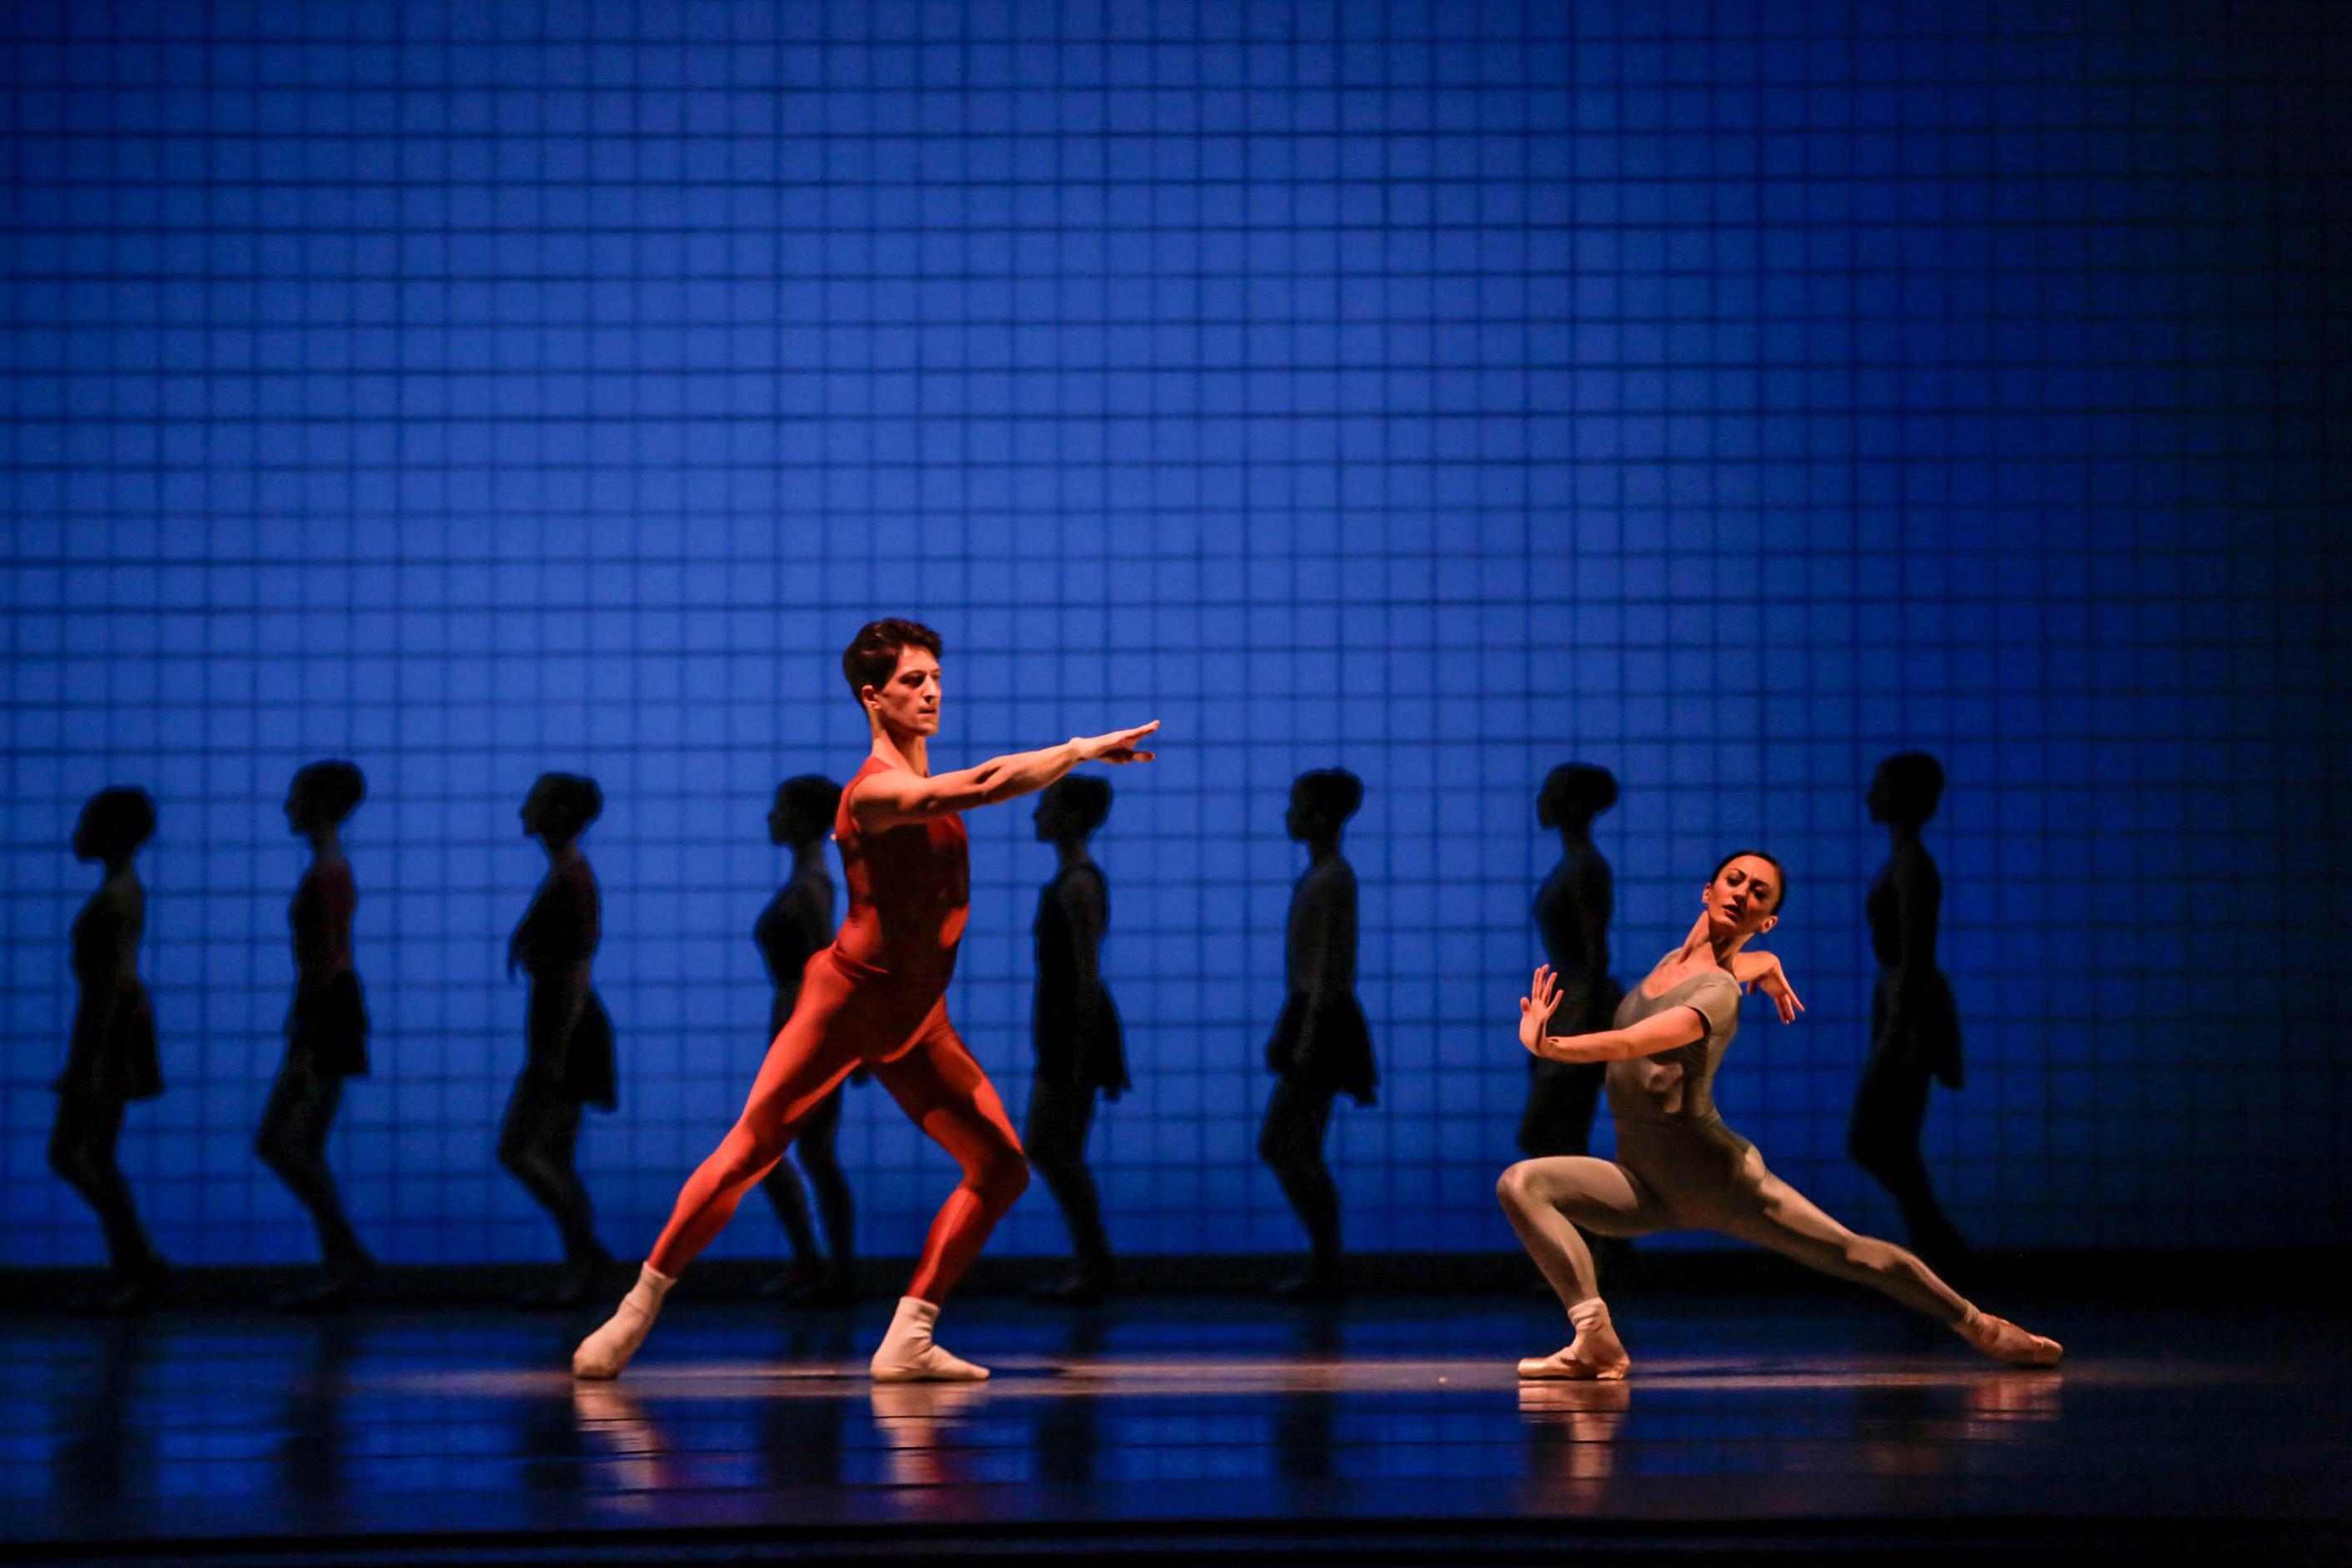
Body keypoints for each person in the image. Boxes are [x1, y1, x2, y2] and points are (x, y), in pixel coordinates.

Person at [573, 618, 1157, 1382]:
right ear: (872, 697)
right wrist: (1079, 750)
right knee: (753, 1149)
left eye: (936, 678)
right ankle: (635, 1309)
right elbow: (982, 785)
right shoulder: (875, 792)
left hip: (918, 1014)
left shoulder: (914, 785)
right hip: (849, 999)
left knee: (1002, 1168)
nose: (932, 692)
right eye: (913, 681)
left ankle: (910, 1335)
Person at [1497, 851, 2061, 1378]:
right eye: (1735, 880)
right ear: (1708, 890)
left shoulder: (1718, 992)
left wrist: (1552, 1047)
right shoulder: (1674, 965)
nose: (1743, 892)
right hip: (1644, 1184)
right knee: (1523, 1183)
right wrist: (1765, 964)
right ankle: (1595, 1339)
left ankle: (1982, 1326)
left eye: (1760, 894)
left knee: (1855, 1254)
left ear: (1766, 918)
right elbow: (1736, 961)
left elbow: (1633, 1042)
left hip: (1719, 1178)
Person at [257, 761, 375, 1310]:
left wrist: (306, 1030)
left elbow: (324, 960)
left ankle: (345, 1259)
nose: (287, 808)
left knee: (288, 1142)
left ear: (319, 805)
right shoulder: (331, 871)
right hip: (328, 1010)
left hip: (326, 1012)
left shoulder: (327, 875)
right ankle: (345, 1260)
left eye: (296, 797)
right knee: (296, 1144)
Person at [1258, 768, 1376, 1300]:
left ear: (1319, 816)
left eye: (1298, 805)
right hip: (1316, 1015)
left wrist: (1305, 1034)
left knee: (1289, 1144)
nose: (1290, 815)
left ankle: (1328, 1264)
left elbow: (1329, 967)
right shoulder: (1326, 874)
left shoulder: (1332, 877)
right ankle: (1327, 1262)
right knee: (1296, 1145)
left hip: (1321, 1019)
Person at [49, 787, 168, 1314]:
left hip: (109, 1032)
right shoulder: (123, 891)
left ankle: (139, 1266)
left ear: (110, 832)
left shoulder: (115, 898)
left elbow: (106, 989)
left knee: (76, 1153)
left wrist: (84, 1061)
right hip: (119, 1028)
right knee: (91, 1154)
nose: (76, 832)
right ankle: (138, 1267)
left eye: (86, 821)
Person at [1848, 752, 1968, 1263]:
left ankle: (1940, 1247)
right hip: (1903, 1002)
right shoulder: (1906, 862)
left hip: (1908, 1007)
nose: (1870, 797)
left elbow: (1917, 959)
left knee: (1876, 1138)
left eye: (1879, 787)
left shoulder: (1912, 866)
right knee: (1889, 1139)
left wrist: (1896, 1032)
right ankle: (1937, 1247)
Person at [502, 772, 616, 1307]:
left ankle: (588, 1256)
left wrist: (551, 1056)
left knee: (520, 1148)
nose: (524, 807)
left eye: (535, 800)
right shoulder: (567, 874)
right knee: (553, 1153)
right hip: (563, 1026)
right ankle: (583, 1266)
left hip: (566, 1030)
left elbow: (573, 972)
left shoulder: (573, 879)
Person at [754, 774, 860, 1304]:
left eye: (778, 808)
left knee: (777, 1150)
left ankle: (821, 1265)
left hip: (807, 1030)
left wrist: (842, 1036)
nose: (770, 818)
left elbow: (828, 963)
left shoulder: (812, 885)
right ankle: (824, 1267)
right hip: (801, 1027)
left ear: (800, 819)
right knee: (812, 1152)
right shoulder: (811, 879)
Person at [1025, 775, 1129, 1304]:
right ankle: (1093, 1262)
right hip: (1067, 1022)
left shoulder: (1080, 883)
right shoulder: (1074, 879)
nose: (1035, 816)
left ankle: (1096, 1264)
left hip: (1073, 1024)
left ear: (1069, 817)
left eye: (1045, 807)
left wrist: (1084, 1044)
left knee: (1051, 1145)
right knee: (1056, 1147)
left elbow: (1086, 973)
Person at [1518, 764, 1621, 1161]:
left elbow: (1596, 954)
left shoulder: (1584, 869)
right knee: (1552, 1138)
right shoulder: (1578, 866)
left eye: (1549, 792)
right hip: (1571, 1007)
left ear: (1572, 804)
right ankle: (1582, 1220)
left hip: (1580, 1009)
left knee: (1554, 1137)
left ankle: (1586, 1220)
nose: (1540, 800)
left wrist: (1574, 1028)